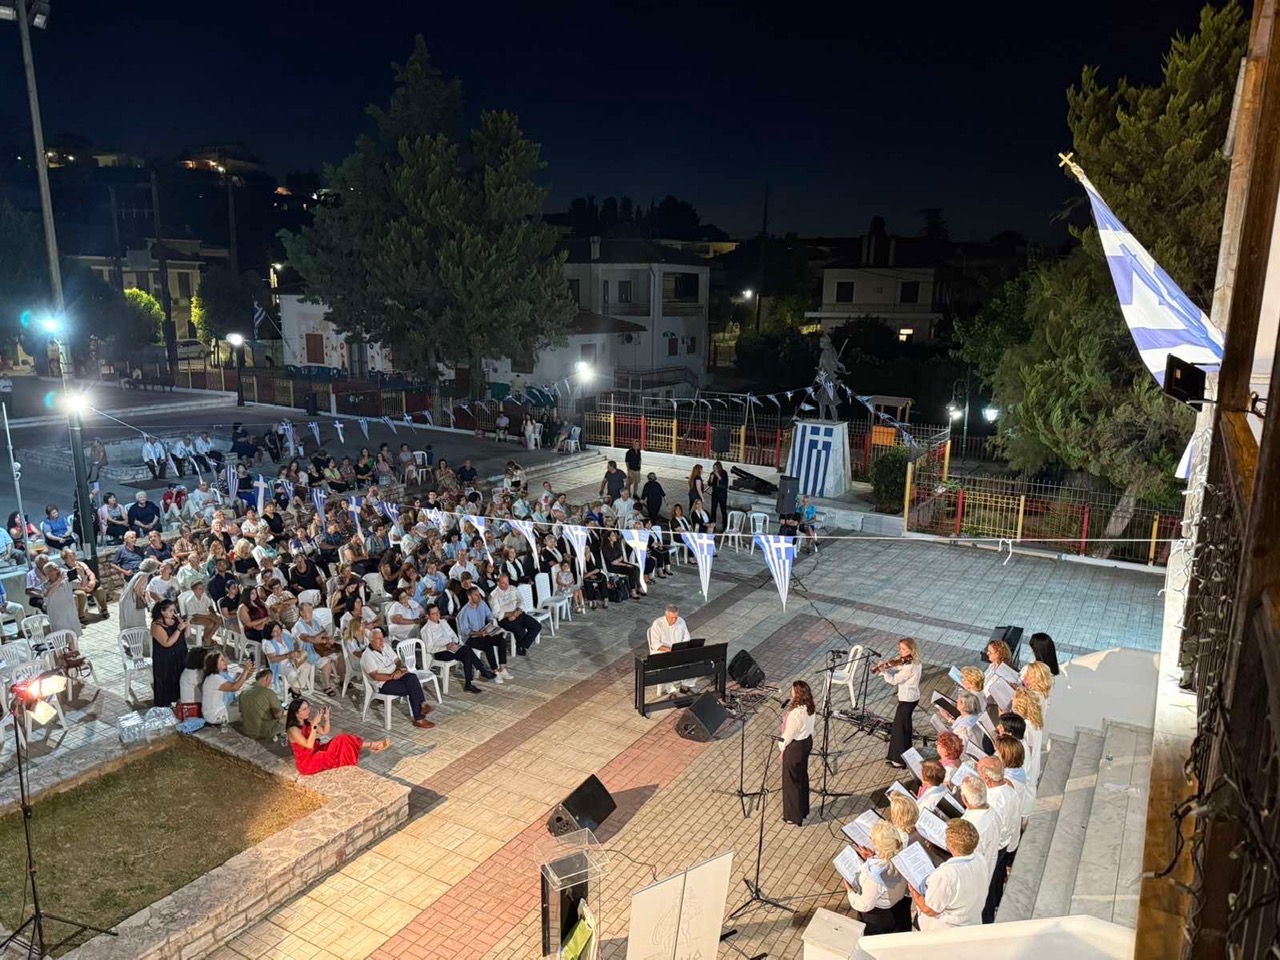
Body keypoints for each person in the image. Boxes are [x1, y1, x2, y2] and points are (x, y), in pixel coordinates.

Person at [910, 818, 987, 930]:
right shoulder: (980, 858)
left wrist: (915, 893)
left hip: (948, 929)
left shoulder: (944, 875)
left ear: (952, 845)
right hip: (971, 919)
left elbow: (930, 910)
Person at [286, 698, 388, 774]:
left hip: (317, 751)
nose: (308, 711)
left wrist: (327, 719)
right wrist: (314, 726)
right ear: (296, 713)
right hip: (308, 762)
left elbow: (325, 731)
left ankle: (371, 745)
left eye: (308, 708)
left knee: (342, 739)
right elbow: (308, 745)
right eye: (304, 709)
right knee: (337, 752)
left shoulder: (308, 723)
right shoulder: (293, 730)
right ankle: (372, 746)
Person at [844, 820, 911, 934]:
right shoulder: (902, 855)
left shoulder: (874, 877)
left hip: (878, 917)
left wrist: (850, 891)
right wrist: (872, 857)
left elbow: (865, 905)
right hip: (899, 906)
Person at [360, 628, 435, 728]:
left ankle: (421, 708)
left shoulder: (386, 647)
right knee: (413, 687)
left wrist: (399, 670)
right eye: (378, 639)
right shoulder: (367, 655)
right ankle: (419, 716)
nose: (382, 641)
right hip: (383, 683)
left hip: (397, 674)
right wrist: (392, 676)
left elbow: (398, 661)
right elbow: (375, 676)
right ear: (371, 640)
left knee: (412, 677)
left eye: (382, 638)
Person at [978, 755, 1021, 923]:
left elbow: (994, 828)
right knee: (997, 879)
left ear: (987, 778)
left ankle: (988, 920)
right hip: (1005, 844)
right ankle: (997, 901)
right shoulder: (1009, 790)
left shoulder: (993, 799)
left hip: (995, 847)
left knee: (988, 888)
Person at [421, 604, 493, 694]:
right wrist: (446, 647)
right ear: (428, 616)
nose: (437, 615)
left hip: (452, 647)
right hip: (441, 652)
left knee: (466, 655)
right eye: (434, 613)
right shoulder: (426, 630)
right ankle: (481, 670)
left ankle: (468, 684)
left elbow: (454, 636)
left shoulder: (443, 622)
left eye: (438, 612)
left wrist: (453, 643)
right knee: (467, 650)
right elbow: (429, 648)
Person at [875, 637, 921, 769]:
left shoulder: (910, 667)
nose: (901, 651)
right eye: (900, 649)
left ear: (911, 650)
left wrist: (884, 672)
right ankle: (907, 755)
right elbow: (900, 665)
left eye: (904, 649)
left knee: (899, 730)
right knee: (905, 728)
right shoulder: (913, 661)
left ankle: (899, 760)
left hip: (907, 700)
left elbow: (894, 680)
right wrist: (889, 665)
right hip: (912, 698)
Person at [779, 680, 816, 826]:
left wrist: (781, 746)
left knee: (791, 783)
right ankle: (803, 810)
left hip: (795, 748)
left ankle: (793, 816)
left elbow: (788, 736)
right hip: (806, 743)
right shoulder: (810, 707)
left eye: (793, 690)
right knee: (802, 777)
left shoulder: (795, 714)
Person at [456, 587, 513, 680]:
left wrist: (490, 625)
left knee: (501, 640)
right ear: (469, 597)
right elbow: (465, 631)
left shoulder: (482, 604)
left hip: (484, 633)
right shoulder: (464, 612)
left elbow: (489, 616)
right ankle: (495, 670)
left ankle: (502, 668)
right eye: (476, 595)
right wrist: (479, 633)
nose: (479, 596)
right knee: (488, 646)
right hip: (471, 638)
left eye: (479, 594)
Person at [150, 599, 190, 708]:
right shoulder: (156, 626)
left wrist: (187, 624)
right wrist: (178, 629)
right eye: (170, 610)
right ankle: (165, 704)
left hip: (179, 653)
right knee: (167, 680)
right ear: (162, 611)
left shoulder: (175, 619)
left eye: (174, 610)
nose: (173, 613)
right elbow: (167, 643)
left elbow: (185, 635)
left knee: (180, 678)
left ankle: (180, 701)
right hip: (166, 658)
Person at [487, 572, 541, 654]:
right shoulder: (494, 595)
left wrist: (517, 611)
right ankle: (521, 648)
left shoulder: (513, 588)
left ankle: (521, 645)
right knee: (520, 630)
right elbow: (496, 613)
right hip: (505, 619)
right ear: (498, 583)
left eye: (507, 582)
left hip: (518, 612)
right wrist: (511, 614)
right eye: (503, 583)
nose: (506, 585)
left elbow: (521, 600)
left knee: (536, 626)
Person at [646, 604, 691, 696]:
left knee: (694, 661)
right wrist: (669, 650)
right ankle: (671, 690)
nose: (674, 620)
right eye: (671, 618)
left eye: (675, 617)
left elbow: (687, 637)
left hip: (677, 650)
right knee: (664, 666)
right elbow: (655, 644)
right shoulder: (658, 624)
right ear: (666, 615)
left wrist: (682, 647)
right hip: (662, 652)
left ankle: (685, 685)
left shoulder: (681, 621)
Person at [201, 650, 253, 725]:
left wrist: (249, 672)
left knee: (248, 696)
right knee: (251, 708)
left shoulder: (222, 674)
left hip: (225, 707)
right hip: (216, 715)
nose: (225, 661)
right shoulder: (213, 678)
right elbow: (234, 687)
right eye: (222, 660)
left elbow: (240, 680)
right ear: (214, 664)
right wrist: (246, 671)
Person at [59, 548, 106, 623]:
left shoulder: (81, 564)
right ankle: (81, 614)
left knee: (99, 590)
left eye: (73, 555)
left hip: (87, 585)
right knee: (81, 594)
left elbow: (90, 573)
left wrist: (92, 581)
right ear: (65, 559)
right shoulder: (64, 570)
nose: (73, 558)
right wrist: (85, 587)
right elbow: (72, 584)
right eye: (70, 557)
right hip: (76, 588)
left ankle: (104, 609)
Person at [239, 668, 286, 741]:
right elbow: (278, 715)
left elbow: (241, 710)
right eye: (270, 680)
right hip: (264, 732)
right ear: (267, 679)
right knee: (292, 716)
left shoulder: (243, 692)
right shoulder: (269, 693)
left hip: (248, 730)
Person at [708, 460, 729, 530]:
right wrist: (711, 479)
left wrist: (718, 475)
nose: (715, 470)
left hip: (722, 494)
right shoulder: (712, 473)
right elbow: (709, 484)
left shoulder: (724, 473)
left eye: (716, 468)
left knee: (723, 510)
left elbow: (725, 483)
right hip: (715, 494)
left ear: (719, 468)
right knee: (713, 510)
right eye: (714, 468)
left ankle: (724, 527)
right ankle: (713, 526)